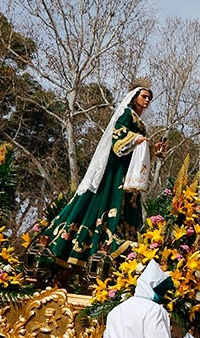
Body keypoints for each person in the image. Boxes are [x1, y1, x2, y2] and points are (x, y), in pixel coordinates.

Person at [44, 79, 167, 267]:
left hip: (129, 171)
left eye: (150, 98)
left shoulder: (139, 121)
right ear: (134, 97)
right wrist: (136, 139)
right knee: (108, 201)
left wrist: (152, 148)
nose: (147, 100)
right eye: (144, 96)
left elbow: (139, 148)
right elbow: (118, 135)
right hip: (117, 168)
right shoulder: (126, 113)